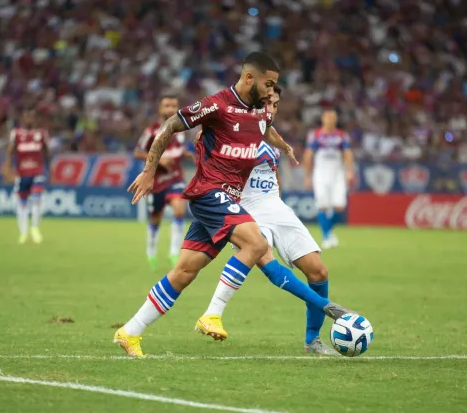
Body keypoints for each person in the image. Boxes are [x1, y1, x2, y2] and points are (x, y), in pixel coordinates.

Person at [115, 52, 351, 357]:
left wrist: (285, 146)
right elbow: (170, 126)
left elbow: (266, 129)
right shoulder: (217, 104)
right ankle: (212, 314)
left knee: (184, 272)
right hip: (208, 192)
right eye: (268, 84)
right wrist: (149, 170)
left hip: (228, 199)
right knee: (254, 243)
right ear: (249, 78)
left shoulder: (261, 113)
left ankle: (129, 331)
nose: (270, 92)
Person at [195, 87, 337, 355]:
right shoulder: (231, 130)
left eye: (276, 104)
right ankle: (326, 306)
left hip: (275, 206)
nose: (271, 109)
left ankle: (312, 341)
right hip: (243, 209)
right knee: (266, 260)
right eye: (267, 103)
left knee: (319, 272)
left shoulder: (269, 136)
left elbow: (273, 173)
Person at [133, 95, 194, 270]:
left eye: (173, 105)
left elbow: (178, 149)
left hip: (175, 177)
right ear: (160, 109)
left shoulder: (182, 131)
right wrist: (159, 161)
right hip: (156, 182)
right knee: (155, 219)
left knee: (179, 209)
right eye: (166, 105)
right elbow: (138, 152)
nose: (170, 109)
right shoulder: (151, 131)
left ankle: (174, 252)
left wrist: (185, 154)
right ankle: (151, 250)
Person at [303, 108, 355, 248]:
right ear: (323, 119)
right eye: (328, 118)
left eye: (333, 118)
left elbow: (347, 153)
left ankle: (329, 231)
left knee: (339, 206)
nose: (331, 120)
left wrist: (349, 171)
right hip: (320, 173)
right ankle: (326, 237)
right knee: (323, 206)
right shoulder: (315, 135)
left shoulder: (342, 136)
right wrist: (307, 176)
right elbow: (308, 156)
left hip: (338, 174)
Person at [2, 109, 49, 244]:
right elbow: (10, 152)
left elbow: (47, 152)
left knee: (37, 199)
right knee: (21, 203)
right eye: (27, 116)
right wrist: (8, 169)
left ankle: (35, 228)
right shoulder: (16, 134)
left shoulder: (41, 134)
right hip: (22, 174)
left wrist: (49, 170)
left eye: (32, 117)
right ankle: (23, 232)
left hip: (37, 172)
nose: (29, 119)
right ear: (22, 119)